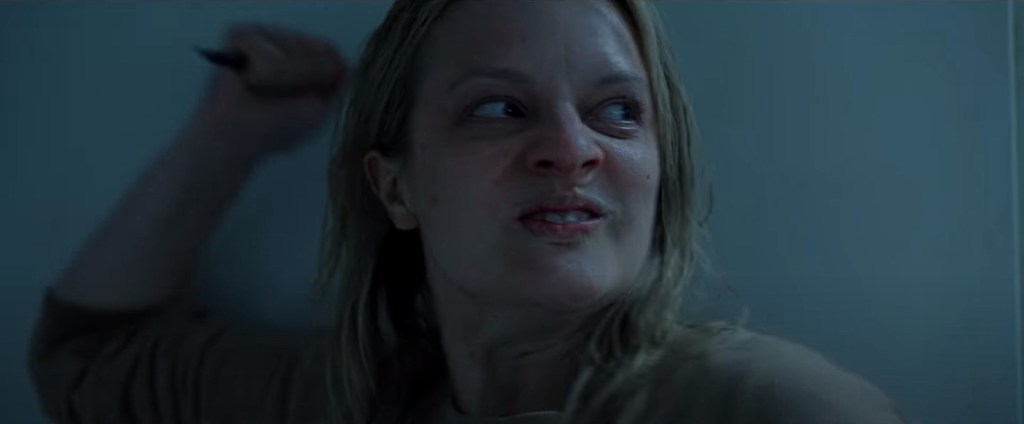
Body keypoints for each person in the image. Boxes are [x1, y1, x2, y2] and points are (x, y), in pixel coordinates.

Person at [27, 1, 911, 423]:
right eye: (498, 107)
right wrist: (230, 135)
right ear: (395, 188)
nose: (571, 150)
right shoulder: (327, 400)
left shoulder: (773, 410)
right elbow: (86, 358)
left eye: (617, 111)